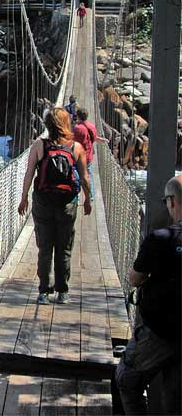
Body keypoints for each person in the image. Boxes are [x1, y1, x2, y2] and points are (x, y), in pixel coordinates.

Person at [116, 175, 182, 415]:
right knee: (175, 397)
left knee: (127, 377)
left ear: (172, 201)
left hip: (160, 333)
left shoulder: (161, 239)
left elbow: (134, 278)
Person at [18, 108, 91, 304]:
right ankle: (63, 292)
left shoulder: (39, 145)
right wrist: (88, 199)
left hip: (42, 203)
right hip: (67, 204)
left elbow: (29, 173)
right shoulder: (75, 147)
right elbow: (84, 178)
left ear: (47, 124)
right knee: (64, 248)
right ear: (67, 123)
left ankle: (44, 292)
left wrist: (24, 198)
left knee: (45, 247)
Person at [72, 107, 103, 198]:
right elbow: (93, 138)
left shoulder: (77, 128)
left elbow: (72, 141)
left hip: (78, 156)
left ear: (77, 116)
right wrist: (101, 139)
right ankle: (91, 195)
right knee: (88, 174)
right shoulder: (92, 126)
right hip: (88, 156)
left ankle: (76, 192)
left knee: (74, 173)